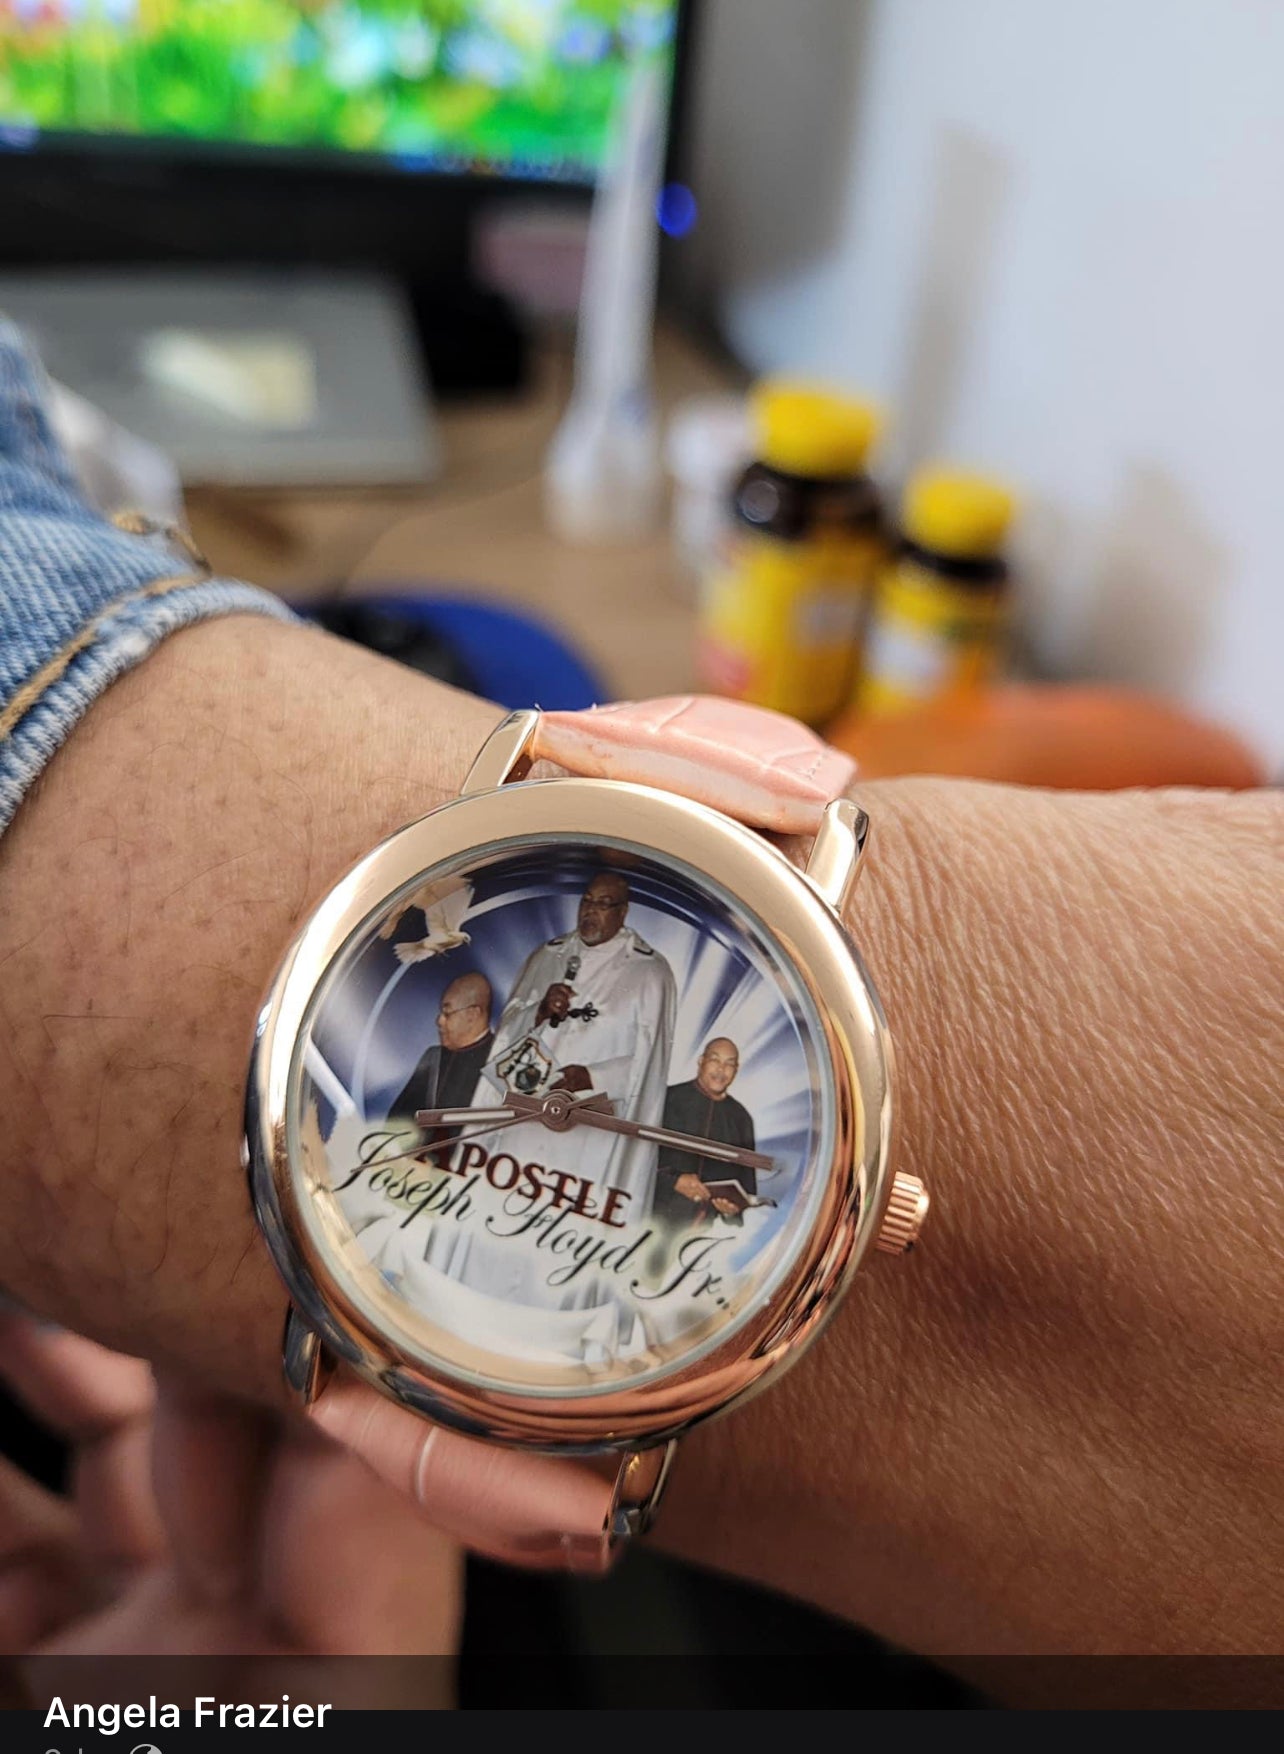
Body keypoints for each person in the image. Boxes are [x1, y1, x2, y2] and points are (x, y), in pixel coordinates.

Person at [0, 324, 1281, 1687]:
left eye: (614, 903)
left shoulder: (666, 975)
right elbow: (496, 1017)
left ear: (877, 1210)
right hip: (474, 1187)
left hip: (584, 1204)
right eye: (598, 900)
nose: (602, 915)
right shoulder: (547, 919)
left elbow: (648, 1055)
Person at [476, 870, 677, 1220]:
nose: (591, 911)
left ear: (623, 912)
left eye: (603, 904)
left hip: (590, 1131)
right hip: (526, 1119)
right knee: (504, 1215)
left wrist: (592, 1076)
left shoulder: (650, 972)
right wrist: (538, 1012)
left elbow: (650, 1069)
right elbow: (507, 1032)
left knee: (565, 1223)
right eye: (587, 901)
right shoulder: (547, 956)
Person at [654, 1037, 758, 1228]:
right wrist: (673, 1182)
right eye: (715, 1060)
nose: (721, 1069)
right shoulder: (667, 1099)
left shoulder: (741, 1119)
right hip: (650, 1218)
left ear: (736, 1070)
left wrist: (732, 1210)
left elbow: (747, 1187)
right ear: (701, 1061)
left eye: (729, 1064)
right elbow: (633, 1159)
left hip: (703, 1233)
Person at [386, 970, 494, 1139]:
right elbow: (397, 1120)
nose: (439, 1021)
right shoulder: (433, 1058)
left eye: (447, 1013)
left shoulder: (498, 1060)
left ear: (472, 1014)